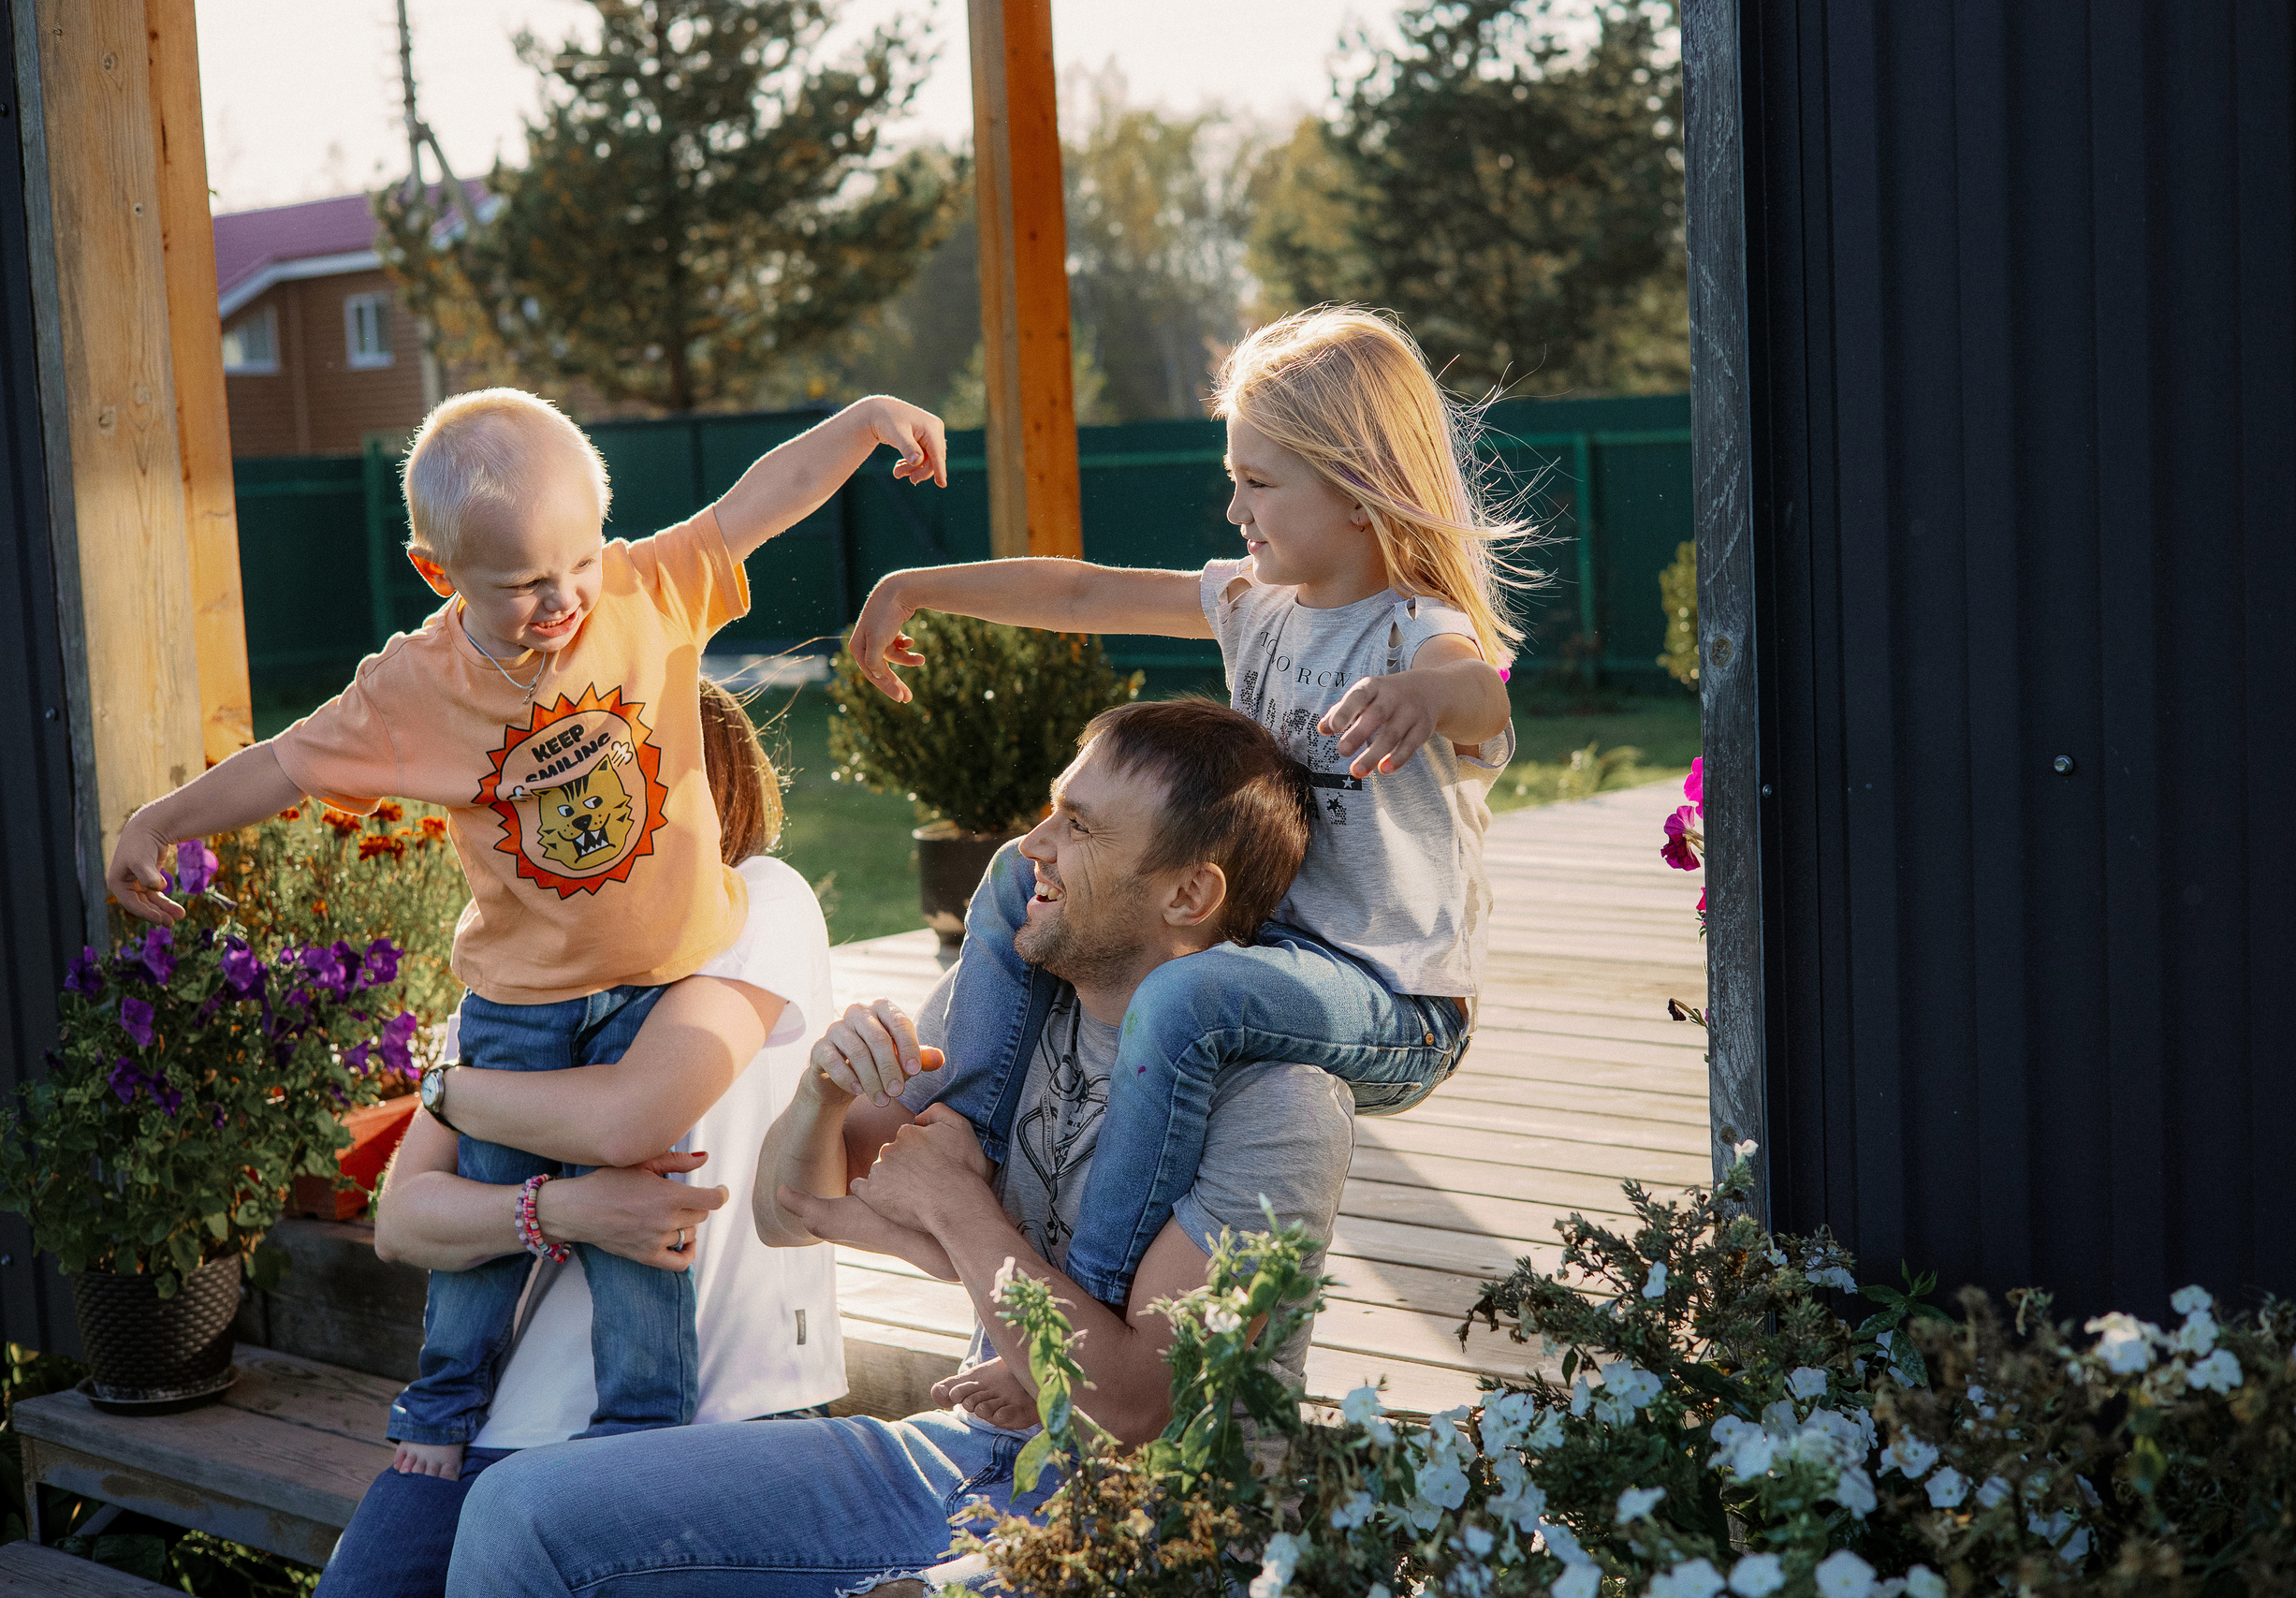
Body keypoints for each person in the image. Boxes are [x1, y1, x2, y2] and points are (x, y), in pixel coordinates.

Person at [103, 387, 945, 1467]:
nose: (563, 601)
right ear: (437, 573)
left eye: (577, 565)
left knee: (650, 1240)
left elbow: (757, 503)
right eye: (525, 585)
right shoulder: (417, 686)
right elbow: (283, 763)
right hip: (522, 1007)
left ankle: (638, 1437)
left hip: (656, 995)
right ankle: (441, 1413)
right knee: (481, 1252)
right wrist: (162, 820)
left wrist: (866, 421)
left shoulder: (645, 592)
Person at [446, 697, 1357, 1597]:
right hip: (967, 1457)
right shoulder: (1007, 1015)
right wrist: (820, 1094)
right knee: (517, 1512)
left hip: (1148, 1519)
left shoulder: (1280, 1109)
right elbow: (788, 1213)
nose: (1031, 846)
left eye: (1077, 828)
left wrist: (957, 1204)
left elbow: (1128, 1405)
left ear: (1188, 892)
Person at [837, 305, 1520, 1307]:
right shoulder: (1256, 605)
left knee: (1181, 998)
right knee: (1008, 877)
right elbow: (1080, 596)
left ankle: (1088, 1291)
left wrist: (1423, 697)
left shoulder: (1419, 634)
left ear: (1361, 494)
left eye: (1258, 484)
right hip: (1262, 961)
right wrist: (915, 585)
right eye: (1232, 478)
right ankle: (968, 1146)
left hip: (1395, 1004)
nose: (1235, 508)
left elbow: (1482, 693)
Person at [316, 681, 847, 1598]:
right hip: (493, 1423)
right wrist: (562, 1208)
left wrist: (447, 1093)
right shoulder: (531, 959)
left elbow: (628, 1117)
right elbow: (406, 1221)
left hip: (720, 1417)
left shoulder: (759, 900)